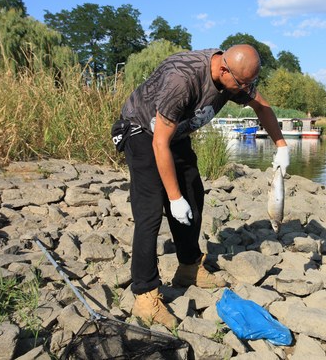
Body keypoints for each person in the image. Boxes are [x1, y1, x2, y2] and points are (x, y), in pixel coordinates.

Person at [117, 44, 289, 328]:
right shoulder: (182, 79)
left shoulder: (235, 75)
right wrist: (173, 198)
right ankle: (145, 295)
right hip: (142, 131)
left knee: (193, 195)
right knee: (150, 211)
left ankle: (189, 268)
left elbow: (262, 105)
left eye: (250, 84)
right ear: (223, 69)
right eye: (242, 84)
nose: (246, 90)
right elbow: (159, 143)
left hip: (175, 134)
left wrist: (281, 146)